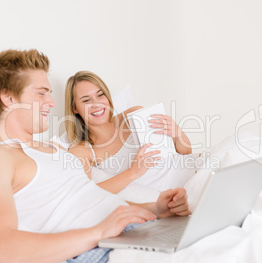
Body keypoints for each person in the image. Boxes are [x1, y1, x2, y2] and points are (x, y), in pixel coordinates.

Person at [0, 49, 191, 263]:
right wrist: (99, 232)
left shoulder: (55, 150)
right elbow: (2, 254)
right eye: (41, 93)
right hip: (102, 250)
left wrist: (157, 209)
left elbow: (90, 198)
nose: (51, 103)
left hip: (141, 231)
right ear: (8, 98)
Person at [65, 71, 200, 197]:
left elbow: (186, 153)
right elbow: (87, 195)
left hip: (197, 169)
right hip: (179, 194)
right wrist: (132, 172)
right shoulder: (81, 150)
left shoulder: (134, 114)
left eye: (100, 95)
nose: (97, 104)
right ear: (75, 108)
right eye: (86, 100)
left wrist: (177, 134)